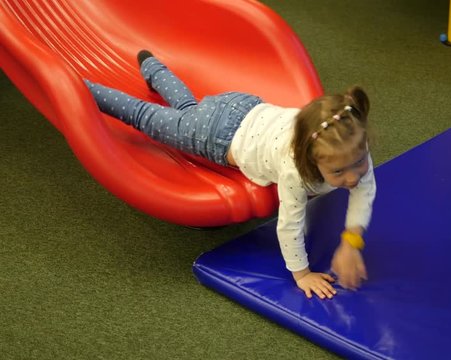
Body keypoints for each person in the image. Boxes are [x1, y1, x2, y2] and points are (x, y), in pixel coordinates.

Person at [83, 50, 376, 300]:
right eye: (338, 172)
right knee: (144, 116)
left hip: (244, 105)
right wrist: (301, 275)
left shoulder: (349, 143)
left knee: (187, 110)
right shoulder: (295, 171)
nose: (353, 177)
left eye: (358, 163)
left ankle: (152, 67)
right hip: (216, 134)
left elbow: (364, 191)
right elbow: (289, 225)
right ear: (310, 159)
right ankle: (82, 89)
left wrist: (352, 241)